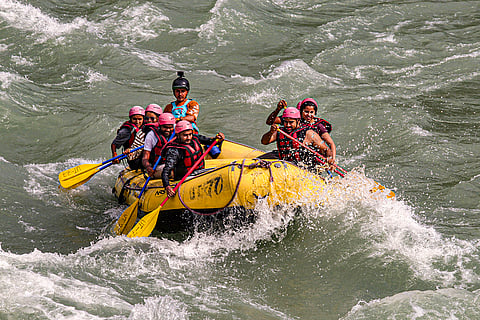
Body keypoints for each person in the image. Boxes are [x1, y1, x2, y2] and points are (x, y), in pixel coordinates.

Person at [162, 121, 224, 198]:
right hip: (185, 179)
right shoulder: (174, 151)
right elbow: (166, 171)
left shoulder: (195, 138)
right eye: (185, 135)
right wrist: (167, 187)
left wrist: (218, 139)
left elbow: (211, 142)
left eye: (190, 134)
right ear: (178, 135)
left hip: (199, 172)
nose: (188, 137)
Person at [261, 107, 332, 171]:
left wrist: (329, 160)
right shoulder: (280, 131)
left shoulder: (309, 134)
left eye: (291, 122)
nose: (288, 125)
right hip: (285, 166)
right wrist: (270, 132)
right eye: (286, 122)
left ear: (298, 121)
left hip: (304, 169)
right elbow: (264, 142)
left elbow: (326, 150)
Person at [297, 98, 336, 163]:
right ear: (301, 111)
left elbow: (331, 143)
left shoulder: (319, 126)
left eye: (311, 112)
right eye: (306, 112)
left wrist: (332, 159)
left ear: (315, 113)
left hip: (315, 156)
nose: (309, 115)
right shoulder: (296, 122)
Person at [142, 113, 176, 178]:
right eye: (165, 127)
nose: (168, 130)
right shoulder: (151, 135)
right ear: (159, 125)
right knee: (169, 170)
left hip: (173, 163)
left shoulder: (176, 131)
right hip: (158, 166)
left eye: (170, 127)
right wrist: (148, 167)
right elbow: (145, 157)